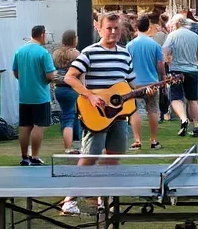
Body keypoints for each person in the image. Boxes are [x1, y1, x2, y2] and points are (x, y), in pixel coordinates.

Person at [62, 12, 147, 214]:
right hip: (96, 115)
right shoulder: (89, 52)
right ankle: (69, 200)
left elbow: (132, 85)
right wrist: (90, 96)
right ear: (99, 29)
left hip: (118, 116)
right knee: (89, 157)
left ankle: (104, 199)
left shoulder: (125, 54)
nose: (113, 32)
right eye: (109, 28)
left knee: (113, 158)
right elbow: (70, 78)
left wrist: (147, 91)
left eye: (116, 28)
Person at [12, 24, 58, 166]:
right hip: (40, 96)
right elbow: (50, 75)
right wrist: (54, 77)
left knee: (24, 126)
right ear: (42, 34)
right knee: (39, 125)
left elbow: (15, 72)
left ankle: (24, 156)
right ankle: (35, 156)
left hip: (25, 95)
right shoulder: (43, 53)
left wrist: (26, 79)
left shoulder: (20, 51)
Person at [126, 16, 166, 151]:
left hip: (135, 83)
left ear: (136, 27)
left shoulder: (130, 45)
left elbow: (127, 64)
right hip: (152, 82)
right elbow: (160, 64)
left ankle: (137, 140)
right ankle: (153, 140)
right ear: (149, 27)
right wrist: (163, 78)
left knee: (134, 111)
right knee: (153, 110)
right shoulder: (154, 45)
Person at [163, 16, 198, 138]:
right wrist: (197, 64)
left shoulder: (172, 36)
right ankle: (196, 126)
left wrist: (168, 62)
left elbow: (165, 52)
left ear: (175, 24)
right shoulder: (194, 36)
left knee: (175, 97)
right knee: (192, 99)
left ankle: (183, 119)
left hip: (176, 70)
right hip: (192, 70)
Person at [51, 30, 82, 153]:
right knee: (70, 116)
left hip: (59, 88)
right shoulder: (76, 54)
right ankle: (69, 147)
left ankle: (73, 142)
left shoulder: (56, 53)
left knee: (67, 114)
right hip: (72, 88)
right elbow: (81, 71)